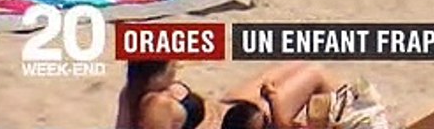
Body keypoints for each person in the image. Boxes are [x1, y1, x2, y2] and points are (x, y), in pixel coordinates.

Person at [116, 60, 341, 129]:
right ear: (155, 76)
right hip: (234, 122)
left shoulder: (132, 92)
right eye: (171, 66)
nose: (178, 66)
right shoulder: (156, 107)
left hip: (227, 108)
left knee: (299, 65)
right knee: (315, 74)